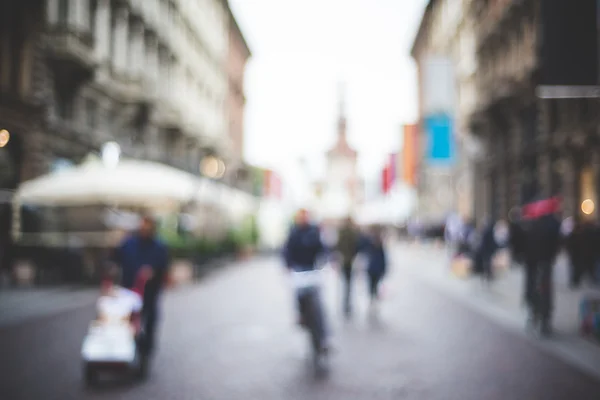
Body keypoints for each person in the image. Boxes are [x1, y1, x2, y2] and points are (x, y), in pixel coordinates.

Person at [109, 214, 169, 356]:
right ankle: (127, 348)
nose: (145, 229)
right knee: (128, 320)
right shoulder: (129, 243)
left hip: (149, 292)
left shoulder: (159, 247)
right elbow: (114, 259)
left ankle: (145, 350)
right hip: (129, 290)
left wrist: (152, 272)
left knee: (148, 320)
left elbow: (164, 269)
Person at [521, 196, 561, 336]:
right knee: (544, 291)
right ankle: (544, 320)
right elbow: (556, 243)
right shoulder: (551, 224)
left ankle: (536, 316)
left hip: (534, 265)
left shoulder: (530, 224)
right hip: (544, 264)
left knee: (535, 290)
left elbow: (522, 245)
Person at [282, 209, 327, 324]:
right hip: (299, 268)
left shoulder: (313, 231)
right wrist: (288, 265)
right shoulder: (294, 232)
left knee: (317, 296)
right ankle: (301, 314)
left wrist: (324, 259)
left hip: (312, 268)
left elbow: (322, 247)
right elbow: (287, 250)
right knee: (298, 294)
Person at [335, 216, 360, 317]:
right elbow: (356, 245)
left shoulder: (342, 232)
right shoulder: (352, 232)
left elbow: (338, 245)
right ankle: (347, 304)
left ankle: (346, 304)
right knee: (348, 284)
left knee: (346, 284)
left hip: (345, 260)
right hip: (349, 261)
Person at [364, 226, 387, 306]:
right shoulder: (371, 244)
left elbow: (383, 259)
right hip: (374, 269)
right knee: (373, 284)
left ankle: (372, 298)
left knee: (373, 284)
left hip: (373, 269)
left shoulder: (372, 245)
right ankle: (373, 298)